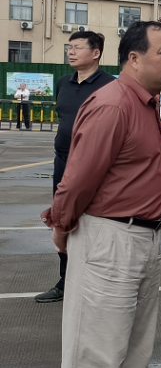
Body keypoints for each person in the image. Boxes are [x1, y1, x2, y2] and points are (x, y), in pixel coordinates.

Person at [41, 21, 161, 368]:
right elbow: (78, 178)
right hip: (108, 239)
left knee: (133, 350)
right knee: (94, 354)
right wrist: (61, 225)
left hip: (144, 237)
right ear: (133, 58)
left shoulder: (147, 103)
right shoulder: (113, 104)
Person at [35, 32, 114, 304]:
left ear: (96, 53)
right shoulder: (63, 83)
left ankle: (98, 281)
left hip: (94, 166)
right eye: (70, 47)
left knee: (95, 222)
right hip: (62, 162)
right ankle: (65, 281)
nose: (71, 52)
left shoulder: (110, 86)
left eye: (77, 47)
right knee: (62, 219)